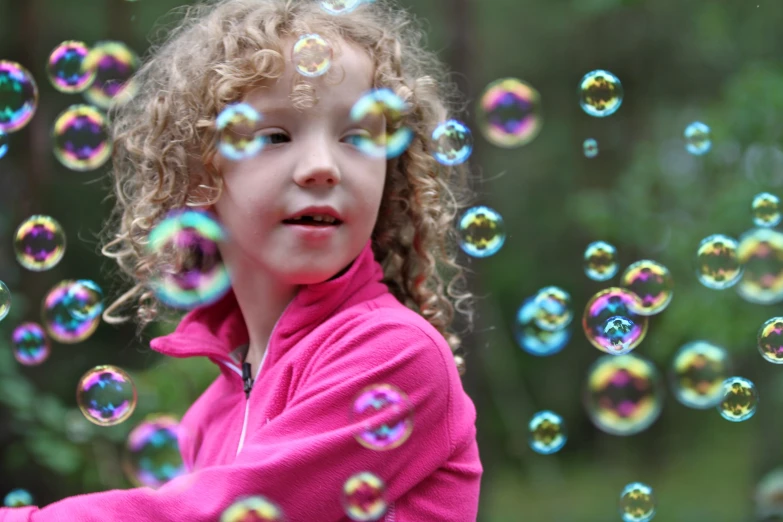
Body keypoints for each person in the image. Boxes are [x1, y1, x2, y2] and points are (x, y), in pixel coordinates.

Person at [1, 0, 482, 520]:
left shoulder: (394, 354)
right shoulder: (211, 412)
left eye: (358, 138)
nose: (322, 167)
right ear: (198, 175)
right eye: (274, 136)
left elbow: (223, 513)